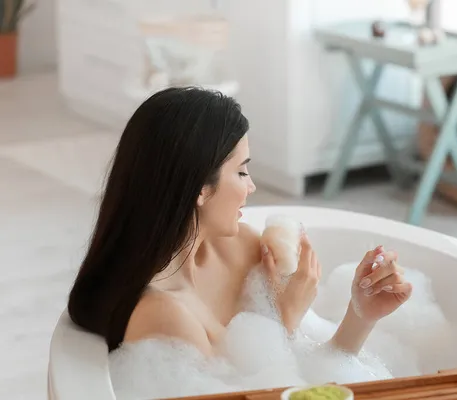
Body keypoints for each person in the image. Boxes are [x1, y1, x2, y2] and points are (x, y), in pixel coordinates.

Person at [67, 87, 413, 359]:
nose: (251, 186)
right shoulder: (162, 314)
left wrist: (361, 315)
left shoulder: (239, 249)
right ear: (200, 188)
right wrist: (285, 320)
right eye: (242, 171)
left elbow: (313, 375)